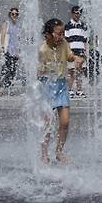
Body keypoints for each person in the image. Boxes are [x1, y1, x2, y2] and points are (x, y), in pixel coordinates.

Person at [38, 18, 84, 164]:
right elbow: (38, 73)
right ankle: (44, 155)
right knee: (48, 123)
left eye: (63, 33)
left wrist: (77, 58)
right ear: (48, 35)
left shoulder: (64, 43)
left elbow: (69, 56)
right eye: (59, 33)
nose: (62, 36)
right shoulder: (42, 50)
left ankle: (59, 152)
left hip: (62, 86)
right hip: (47, 86)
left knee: (65, 122)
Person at [65, 6, 88, 98]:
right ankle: (70, 90)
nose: (77, 14)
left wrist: (86, 52)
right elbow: (66, 40)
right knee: (70, 72)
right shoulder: (68, 25)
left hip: (81, 52)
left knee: (79, 72)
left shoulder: (83, 26)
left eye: (79, 13)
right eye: (75, 12)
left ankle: (79, 90)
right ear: (72, 13)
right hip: (72, 52)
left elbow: (85, 40)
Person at [0, 8, 20, 97]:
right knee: (5, 70)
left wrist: (19, 51)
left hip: (15, 52)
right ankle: (1, 90)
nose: (14, 16)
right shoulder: (6, 23)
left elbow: (19, 39)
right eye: (12, 14)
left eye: (16, 14)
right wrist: (3, 48)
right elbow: (3, 35)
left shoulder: (18, 25)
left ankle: (10, 89)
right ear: (9, 14)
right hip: (8, 50)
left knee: (13, 71)